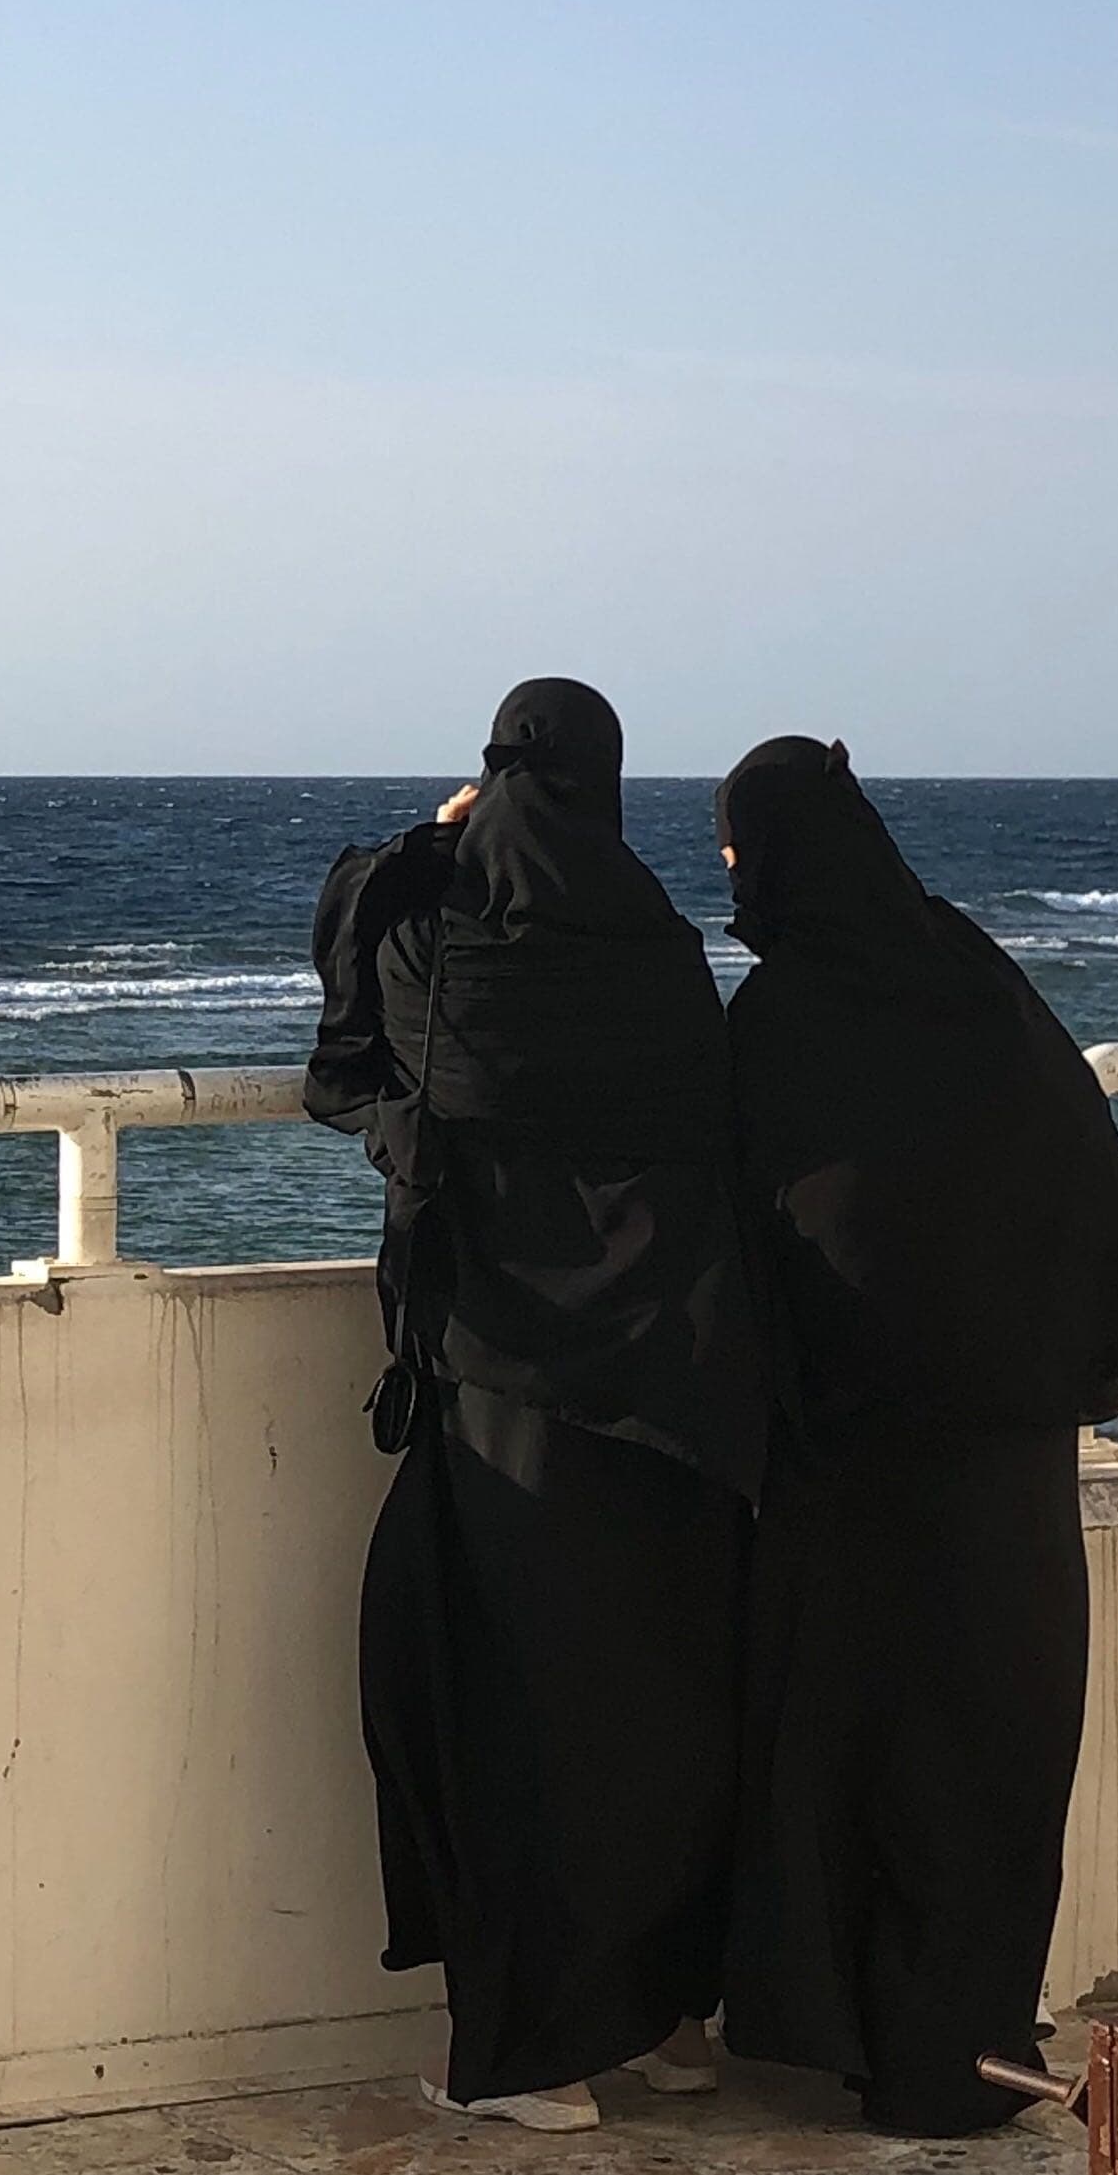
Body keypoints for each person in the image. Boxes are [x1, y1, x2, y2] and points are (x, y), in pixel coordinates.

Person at [714, 736, 1118, 2136]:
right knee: (986, 1754)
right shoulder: (976, 976)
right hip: (1008, 1462)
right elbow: (1076, 1166)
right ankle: (966, 2046)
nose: (737, 879)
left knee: (855, 1749)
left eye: (740, 854)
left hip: (860, 1459)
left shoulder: (785, 1014)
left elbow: (759, 1220)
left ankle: (870, 2039)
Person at [305, 678, 768, 2133]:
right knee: (665, 1707)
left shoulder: (445, 950)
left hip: (507, 1387)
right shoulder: (663, 952)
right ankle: (673, 2019)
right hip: (679, 1390)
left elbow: (347, 965)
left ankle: (531, 2052)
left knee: (503, 1712)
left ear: (494, 777)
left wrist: (432, 837)